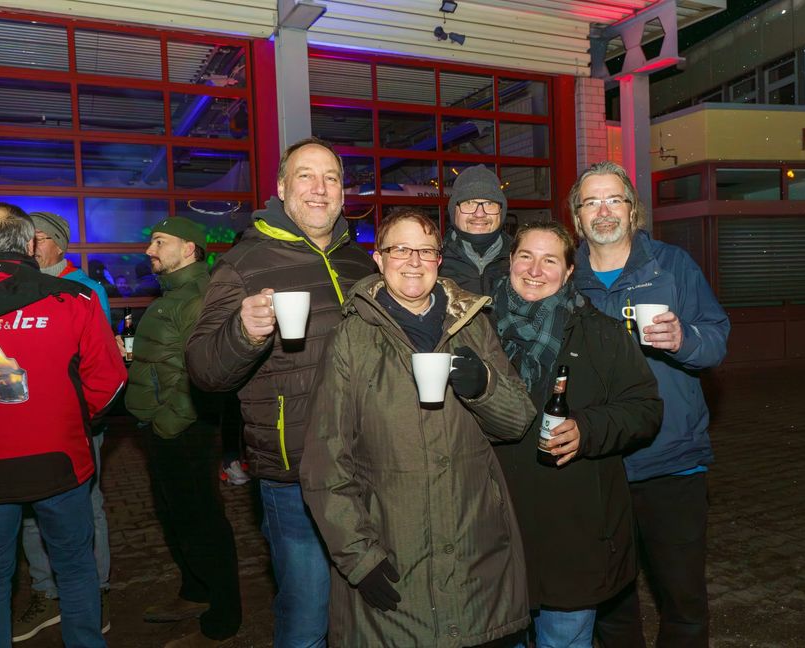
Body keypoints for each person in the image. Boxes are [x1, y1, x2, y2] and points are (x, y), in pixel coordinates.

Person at [299, 209, 536, 646]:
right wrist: (358, 558)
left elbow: (519, 420)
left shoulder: (472, 324)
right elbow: (324, 463)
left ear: (439, 259)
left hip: (476, 558)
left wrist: (484, 386)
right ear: (378, 258)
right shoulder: (351, 338)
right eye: (400, 249)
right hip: (394, 558)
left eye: (425, 250)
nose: (413, 261)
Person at [186, 137, 377, 648]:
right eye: (306, 176)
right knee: (307, 617)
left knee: (364, 611)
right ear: (281, 188)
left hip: (368, 466)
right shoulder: (243, 263)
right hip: (295, 472)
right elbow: (204, 369)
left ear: (343, 192)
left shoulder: (361, 263)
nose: (320, 189)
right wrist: (243, 333)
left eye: (331, 178)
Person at [569, 161, 730, 648]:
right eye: (591, 202)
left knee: (683, 602)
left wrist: (684, 338)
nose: (603, 211)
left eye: (614, 199)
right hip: (598, 466)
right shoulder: (565, 278)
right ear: (577, 219)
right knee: (612, 606)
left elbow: (716, 340)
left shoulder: (672, 264)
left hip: (672, 462)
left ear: (633, 209)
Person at [489, 221, 663, 647]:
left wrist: (588, 429)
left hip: (574, 532)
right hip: (496, 532)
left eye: (550, 260)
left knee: (563, 641)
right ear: (510, 261)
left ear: (569, 271)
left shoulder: (600, 333)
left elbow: (646, 409)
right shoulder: (479, 330)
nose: (535, 269)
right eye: (525, 256)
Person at [0, 203, 125, 648]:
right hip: (61, 461)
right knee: (76, 565)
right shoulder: (71, 299)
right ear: (29, 245)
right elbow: (110, 380)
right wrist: (73, 417)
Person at [120, 217, 241, 648]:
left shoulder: (195, 297)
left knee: (201, 520)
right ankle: (194, 591)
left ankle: (226, 611)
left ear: (189, 249)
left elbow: (206, 373)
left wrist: (165, 422)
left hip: (183, 430)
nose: (150, 250)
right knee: (176, 516)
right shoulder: (173, 294)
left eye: (160, 242)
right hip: (164, 427)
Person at [12, 211, 114, 642]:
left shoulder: (85, 289)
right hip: (24, 426)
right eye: (25, 240)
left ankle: (94, 593)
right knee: (30, 512)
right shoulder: (12, 290)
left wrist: (80, 417)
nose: (30, 247)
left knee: (87, 506)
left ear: (56, 243)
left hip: (77, 423)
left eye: (36, 239)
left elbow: (102, 367)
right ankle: (45, 592)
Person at [439, 164, 512, 296]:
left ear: (501, 211)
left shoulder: (523, 260)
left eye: (489, 203)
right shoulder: (433, 262)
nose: (479, 214)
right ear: (454, 211)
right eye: (469, 203)